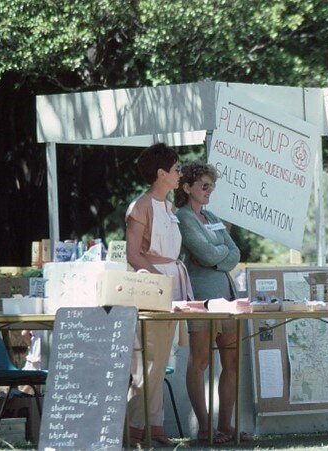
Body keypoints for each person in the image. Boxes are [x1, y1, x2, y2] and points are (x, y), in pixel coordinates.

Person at [175, 162, 251, 444]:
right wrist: (219, 257)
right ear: (186, 188)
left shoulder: (211, 215)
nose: (209, 191)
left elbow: (235, 252)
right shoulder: (183, 217)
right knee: (200, 361)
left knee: (231, 362)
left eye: (211, 186)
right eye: (204, 186)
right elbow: (207, 255)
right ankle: (205, 428)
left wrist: (216, 257)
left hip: (228, 298)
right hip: (201, 299)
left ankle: (225, 427)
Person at [125, 142, 193, 447]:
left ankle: (153, 424)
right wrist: (158, 282)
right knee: (147, 362)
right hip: (150, 289)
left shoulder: (169, 207)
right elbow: (133, 255)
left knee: (162, 358)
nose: (180, 173)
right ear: (161, 173)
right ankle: (136, 426)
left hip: (172, 286)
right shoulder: (140, 206)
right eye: (176, 168)